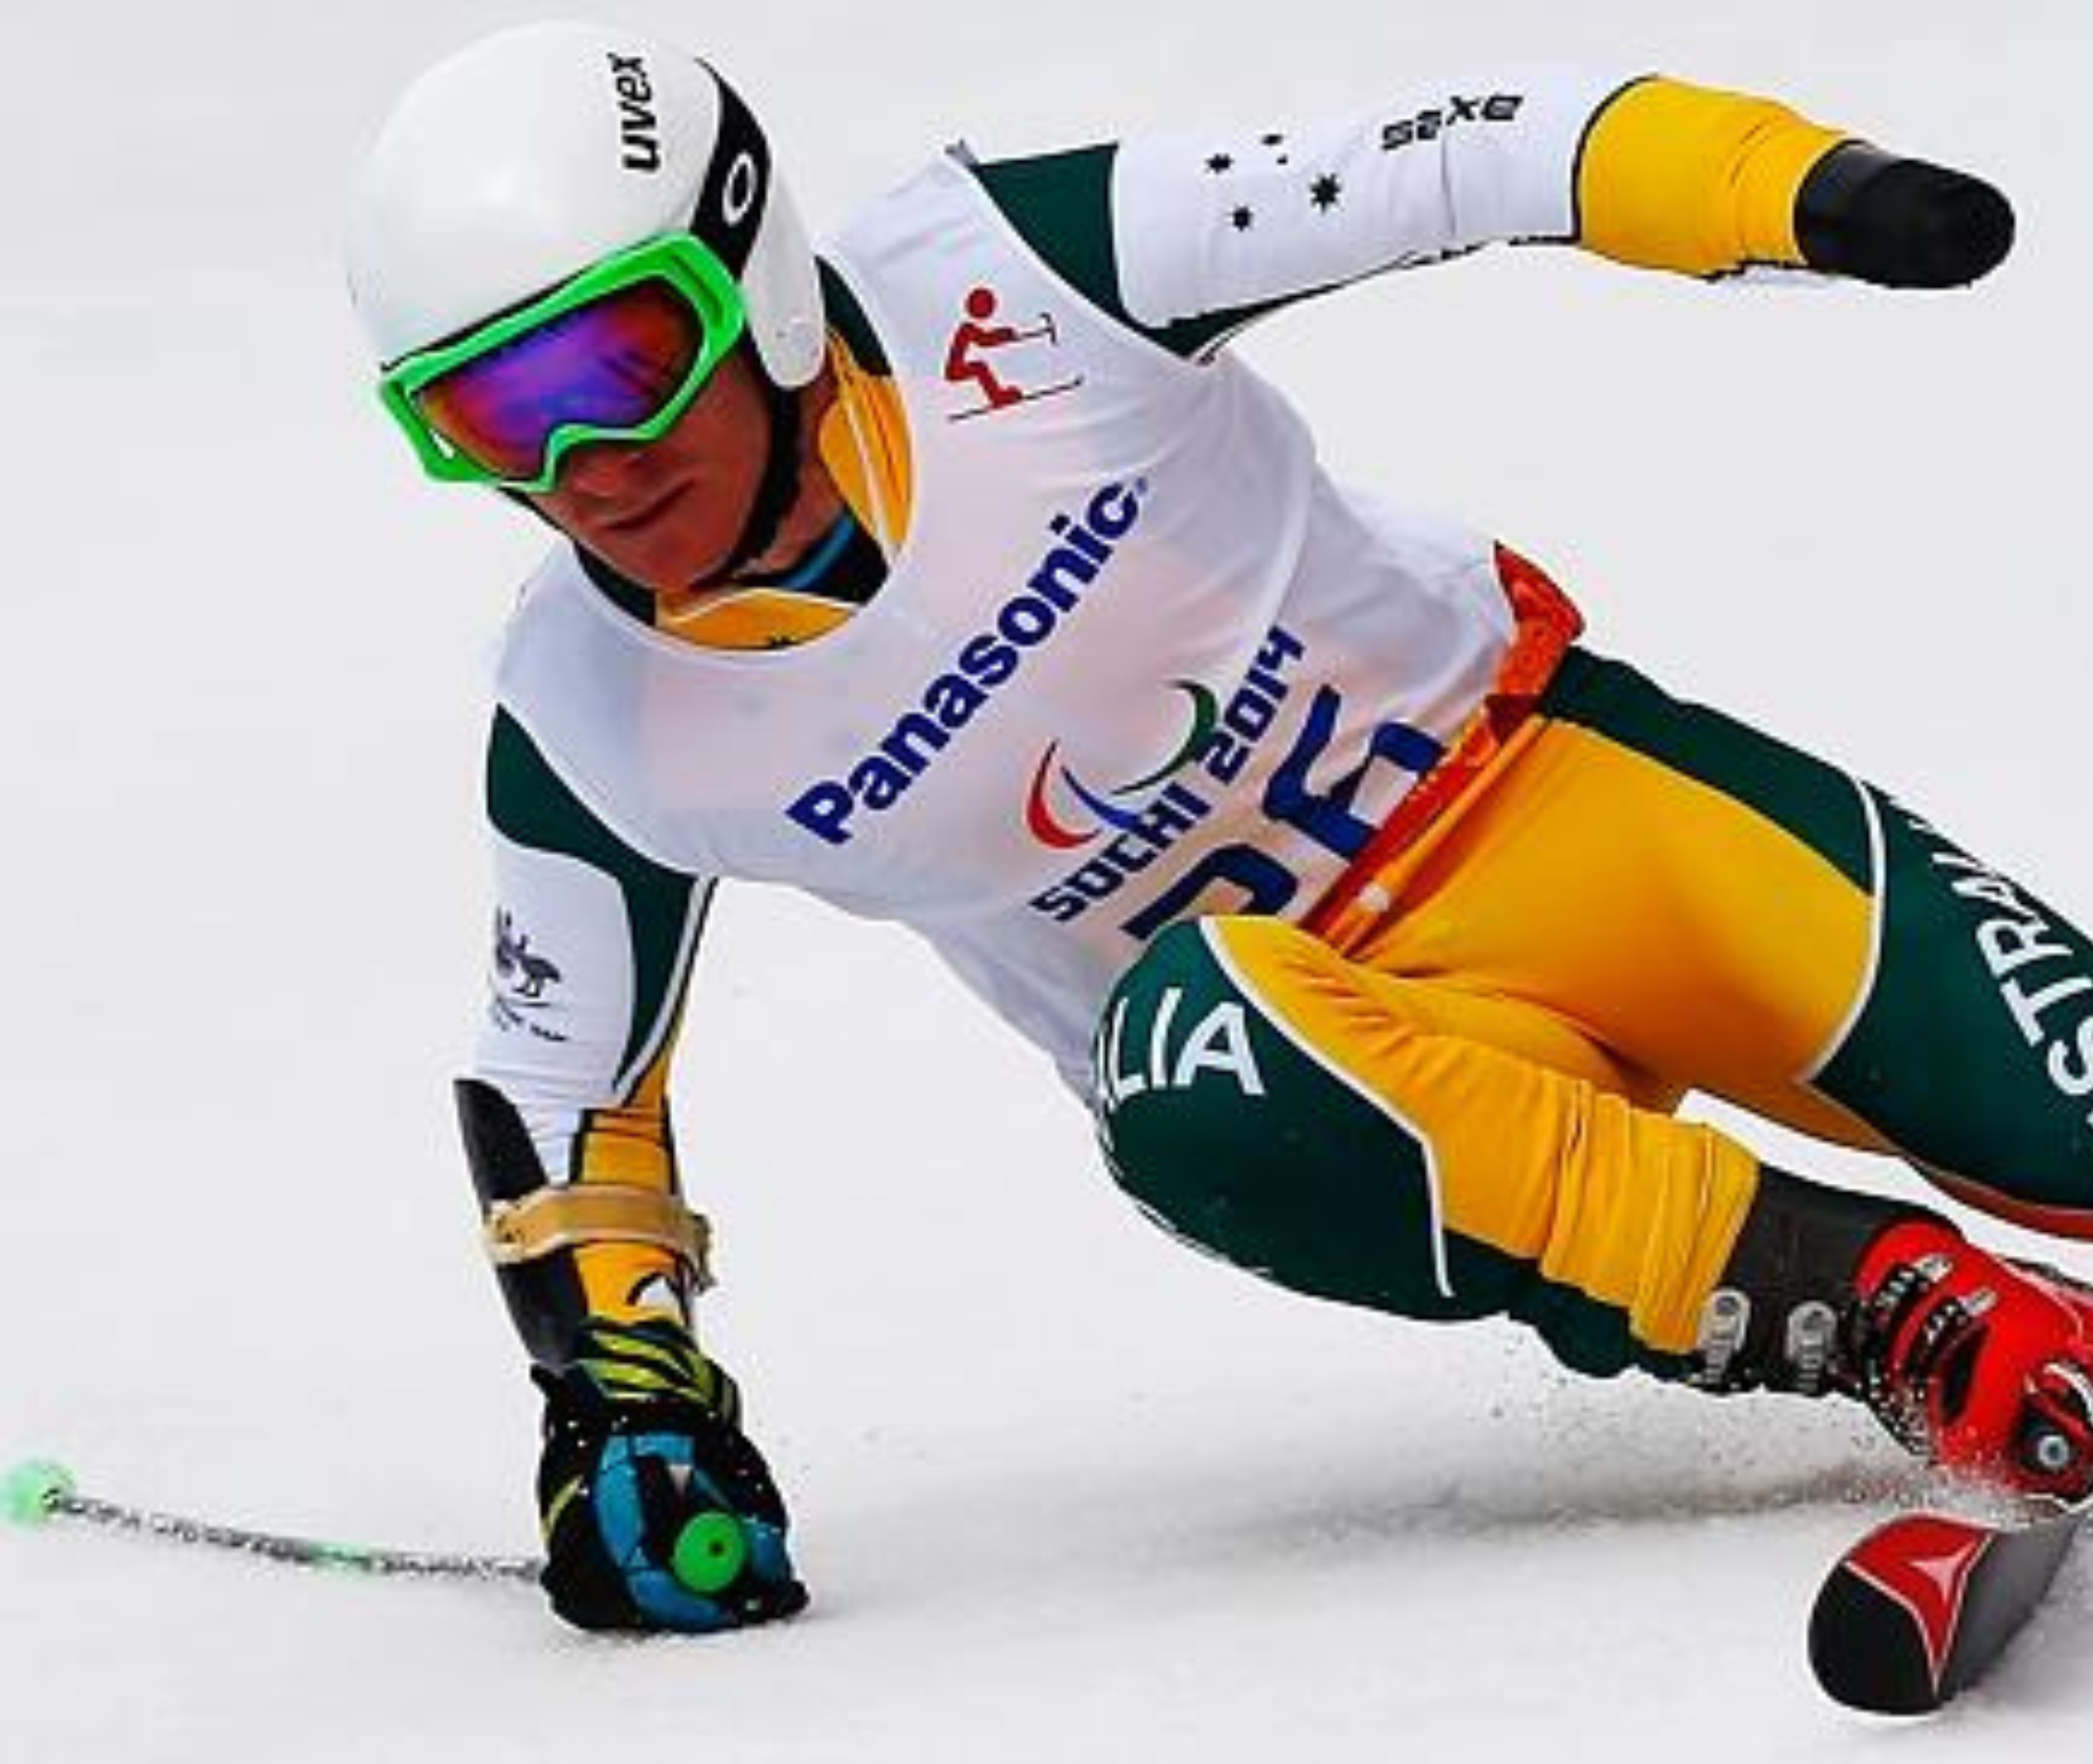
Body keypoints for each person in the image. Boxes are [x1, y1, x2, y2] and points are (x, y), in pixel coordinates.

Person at [344, 18, 2093, 1636]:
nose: (586, 458)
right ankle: (1901, 1314)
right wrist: (623, 1404)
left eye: (625, 357)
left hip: (1563, 806)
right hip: (1345, 1069)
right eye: (489, 411)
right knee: (1185, 1052)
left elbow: (1459, 158)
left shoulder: (1011, 275)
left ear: (754, 278)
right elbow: (569, 1087)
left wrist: (1785, 187)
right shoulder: (586, 714)